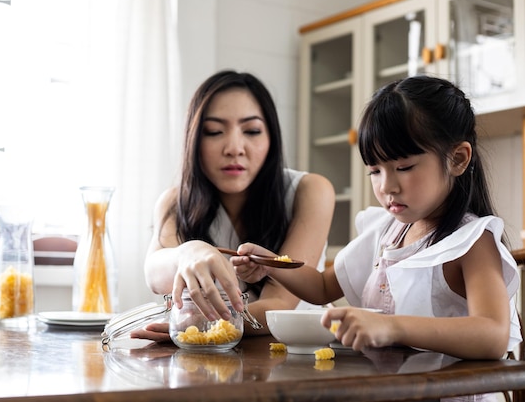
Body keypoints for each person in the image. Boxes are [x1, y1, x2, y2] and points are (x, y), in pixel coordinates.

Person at [235, 75, 521, 362]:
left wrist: (391, 326)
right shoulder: (387, 232)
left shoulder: (471, 240)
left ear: (457, 159)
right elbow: (322, 287)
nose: (386, 186)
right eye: (375, 171)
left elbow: (493, 334)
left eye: (404, 167)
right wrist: (270, 264)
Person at [135, 70, 335, 340]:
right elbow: (154, 275)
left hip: (300, 355)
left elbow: (279, 305)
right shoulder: (175, 201)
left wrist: (193, 327)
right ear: (194, 140)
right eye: (215, 131)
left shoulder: (310, 191)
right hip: (212, 362)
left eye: (251, 131)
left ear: (271, 138)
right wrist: (188, 253)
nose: (234, 147)